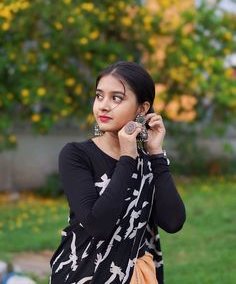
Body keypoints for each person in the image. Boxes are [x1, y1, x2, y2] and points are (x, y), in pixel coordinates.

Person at [49, 61, 186, 284]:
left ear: (142, 109)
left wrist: (156, 154)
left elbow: (173, 222)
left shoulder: (149, 161)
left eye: (116, 98)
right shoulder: (77, 155)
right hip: (81, 275)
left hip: (134, 277)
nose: (103, 106)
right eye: (99, 95)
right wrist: (127, 158)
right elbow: (98, 225)